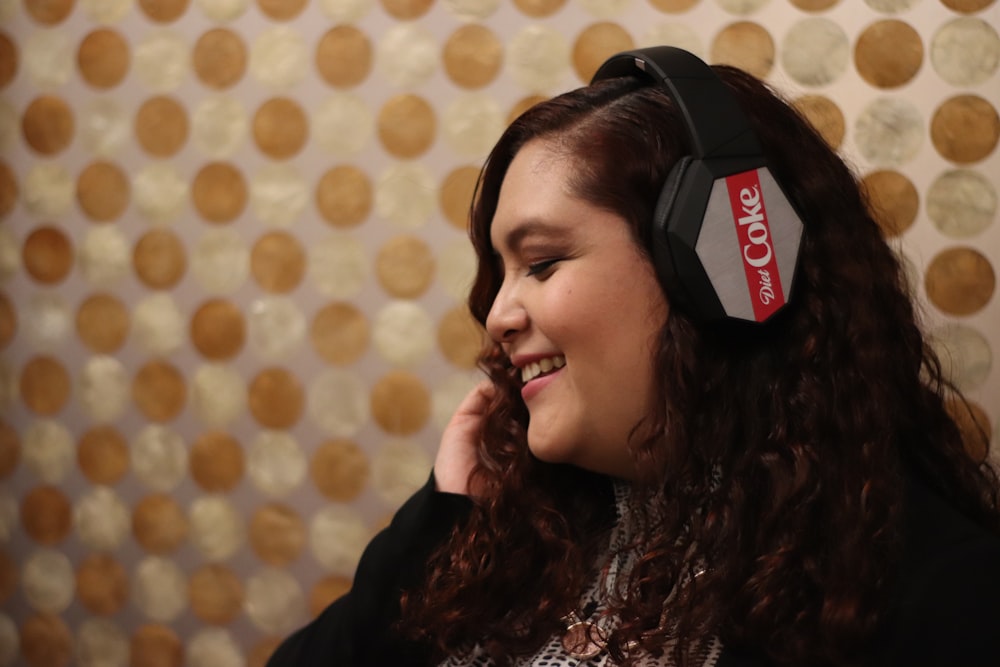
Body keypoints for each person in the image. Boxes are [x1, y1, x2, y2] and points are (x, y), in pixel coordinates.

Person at [267, 47, 1000, 667]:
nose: (495, 318)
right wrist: (439, 517)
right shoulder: (512, 535)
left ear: (724, 271)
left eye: (544, 262)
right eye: (501, 273)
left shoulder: (945, 597)